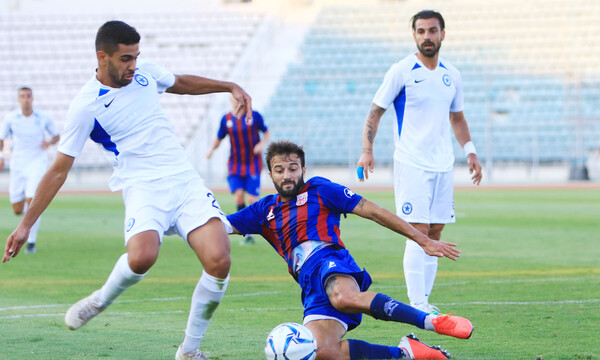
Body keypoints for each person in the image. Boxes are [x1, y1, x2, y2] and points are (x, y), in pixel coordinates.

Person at [2, 21, 253, 360]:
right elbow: (59, 170)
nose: (133, 65)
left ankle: (189, 351)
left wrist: (228, 86)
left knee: (219, 260)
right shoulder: (85, 106)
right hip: (142, 186)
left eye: (136, 56)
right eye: (125, 59)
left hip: (183, 179)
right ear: (102, 57)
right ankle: (100, 299)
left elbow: (179, 83)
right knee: (142, 257)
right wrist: (26, 224)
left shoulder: (145, 72)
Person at [228, 141, 474, 360]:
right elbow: (218, 225)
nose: (287, 175)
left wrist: (423, 239)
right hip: (310, 286)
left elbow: (374, 211)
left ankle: (430, 321)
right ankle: (406, 352)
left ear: (303, 170)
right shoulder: (264, 210)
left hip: (329, 261)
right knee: (322, 351)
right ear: (270, 174)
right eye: (280, 170)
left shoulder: (320, 190)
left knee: (343, 298)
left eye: (293, 168)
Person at [356, 9, 483, 315]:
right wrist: (366, 150)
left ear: (443, 34)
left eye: (433, 30)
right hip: (411, 163)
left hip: (443, 165)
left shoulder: (452, 75)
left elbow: (457, 117)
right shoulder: (401, 70)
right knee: (418, 231)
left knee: (436, 232)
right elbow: (375, 111)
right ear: (414, 35)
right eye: (421, 31)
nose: (427, 36)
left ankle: (426, 301)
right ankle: (418, 306)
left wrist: (470, 150)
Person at [0, 87, 60, 254]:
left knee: (32, 201)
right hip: (18, 165)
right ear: (18, 99)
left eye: (28, 96)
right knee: (18, 209)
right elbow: (2, 138)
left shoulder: (43, 117)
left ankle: (31, 243)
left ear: (32, 98)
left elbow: (56, 136)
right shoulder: (11, 118)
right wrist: (1, 156)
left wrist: (49, 142)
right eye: (22, 96)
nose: (26, 99)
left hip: (37, 163)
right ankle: (25, 221)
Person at [206, 95, 270, 245]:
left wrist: (261, 144)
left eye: (239, 100)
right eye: (234, 99)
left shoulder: (254, 116)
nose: (237, 102)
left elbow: (266, 132)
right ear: (231, 101)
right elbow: (219, 137)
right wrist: (211, 150)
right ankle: (247, 234)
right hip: (235, 164)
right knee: (239, 197)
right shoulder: (226, 119)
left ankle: (265, 228)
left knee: (253, 199)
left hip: (252, 163)